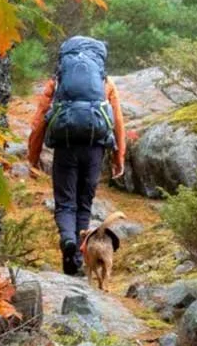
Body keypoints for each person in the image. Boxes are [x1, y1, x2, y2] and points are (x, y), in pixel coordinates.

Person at [27, 36, 127, 276]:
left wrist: (33, 156)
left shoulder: (59, 81)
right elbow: (118, 122)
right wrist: (118, 157)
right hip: (95, 148)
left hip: (66, 147)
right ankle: (80, 254)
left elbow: (40, 119)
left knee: (65, 203)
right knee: (84, 204)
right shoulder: (105, 82)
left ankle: (68, 242)